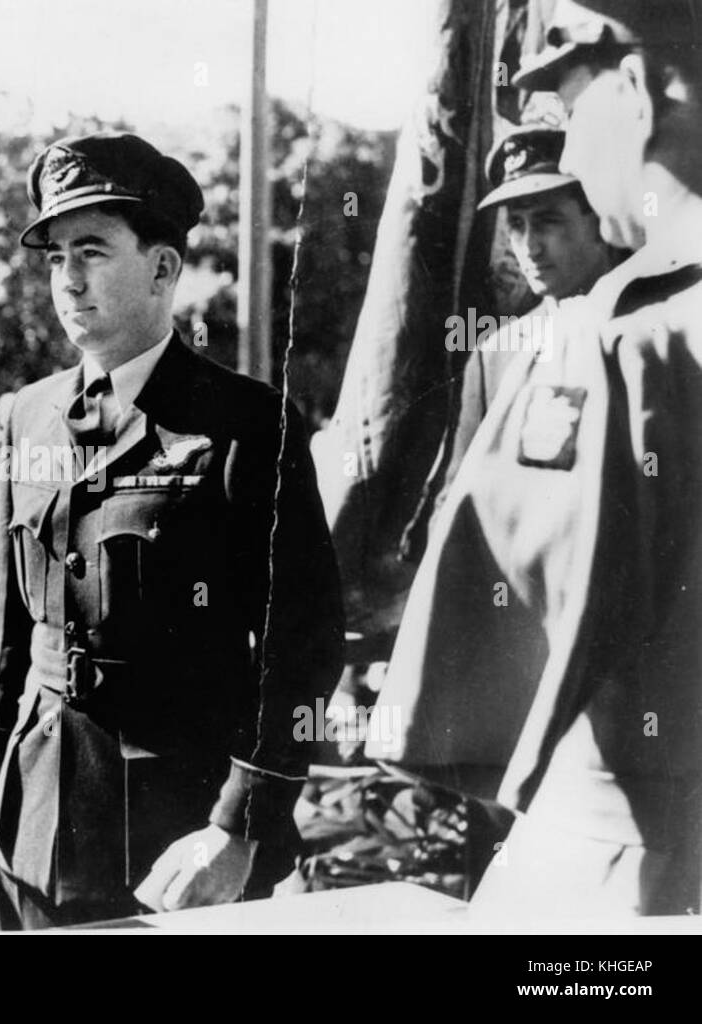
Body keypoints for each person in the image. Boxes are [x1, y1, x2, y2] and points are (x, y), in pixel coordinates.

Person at [371, 0, 702, 917]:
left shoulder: (627, 332)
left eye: (569, 98)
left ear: (632, 90)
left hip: (628, 837)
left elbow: (515, 593)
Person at [0, 131, 344, 929]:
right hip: (35, 819)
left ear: (163, 267)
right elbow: (14, 627)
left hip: (178, 834)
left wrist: (240, 823)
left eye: (92, 252)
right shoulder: (29, 415)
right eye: (54, 258)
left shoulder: (245, 424)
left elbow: (305, 640)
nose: (67, 280)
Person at [446, 123, 615, 482]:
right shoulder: (495, 357)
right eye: (517, 225)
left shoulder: (650, 333)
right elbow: (459, 497)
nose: (529, 247)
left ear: (598, 218)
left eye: (547, 222)